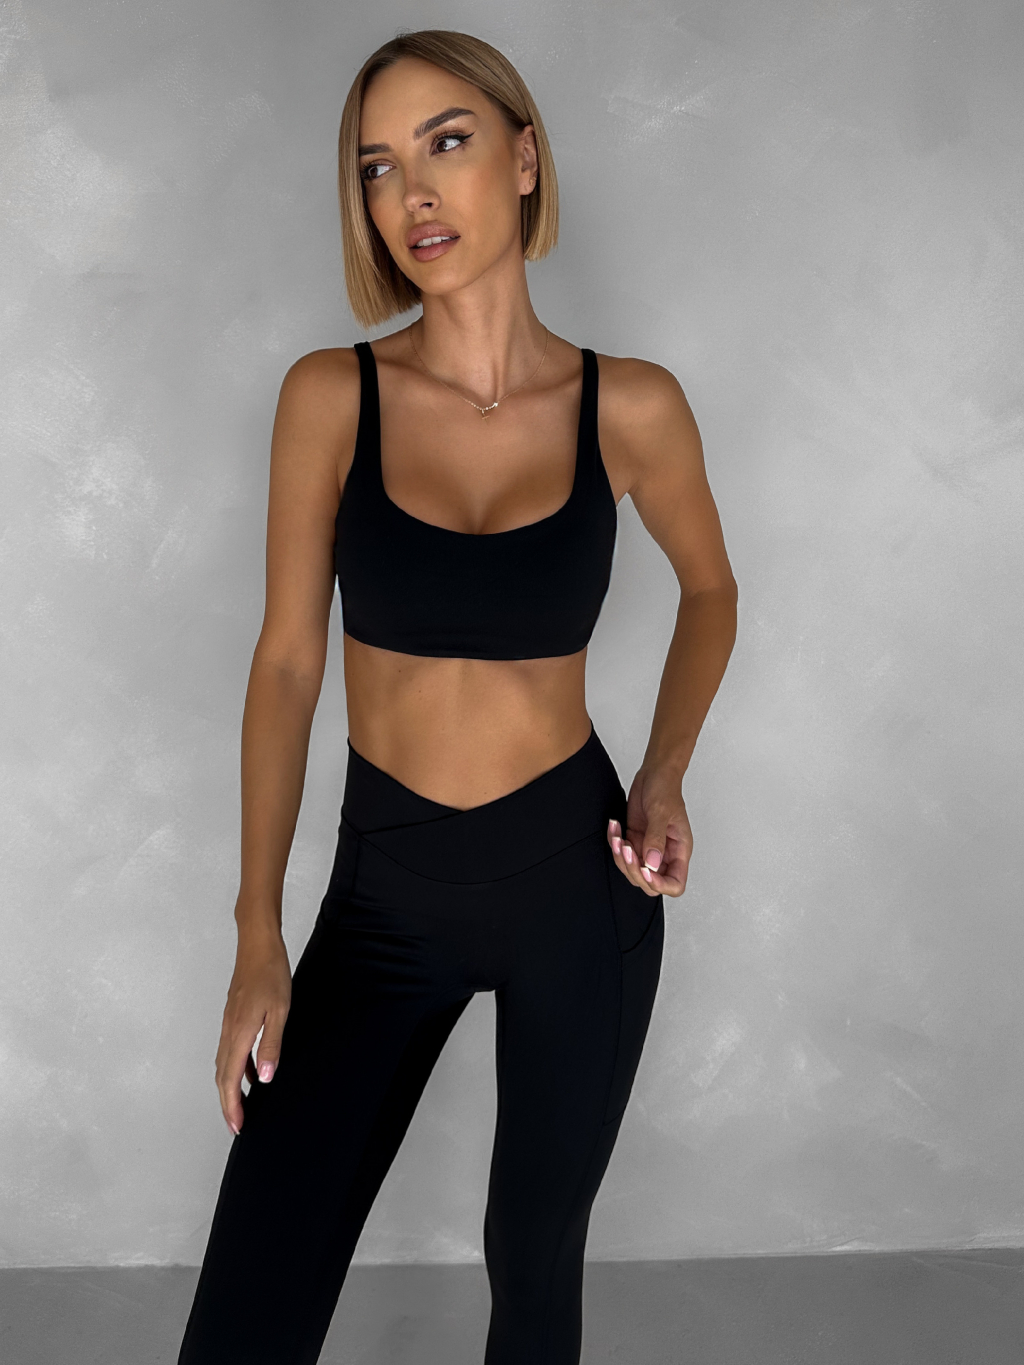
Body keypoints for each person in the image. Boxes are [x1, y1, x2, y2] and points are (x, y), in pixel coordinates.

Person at [177, 27, 737, 1365]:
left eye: (448, 143)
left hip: (575, 884)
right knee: (250, 1305)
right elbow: (288, 662)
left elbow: (713, 591)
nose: (413, 193)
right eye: (379, 166)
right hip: (386, 893)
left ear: (525, 159)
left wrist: (663, 774)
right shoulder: (332, 396)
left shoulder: (632, 408)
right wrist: (257, 932)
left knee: (531, 1275)